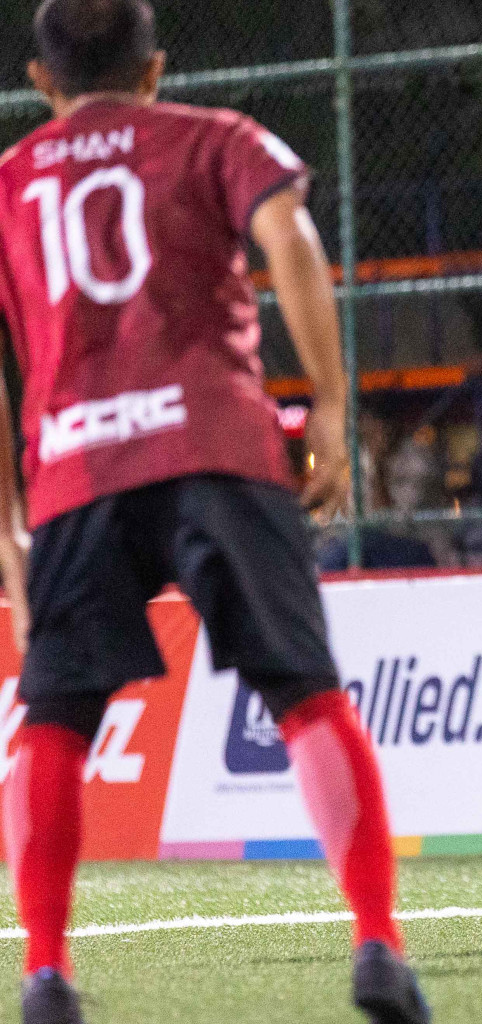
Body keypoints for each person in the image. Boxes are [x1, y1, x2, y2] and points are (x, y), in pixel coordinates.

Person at [0, 2, 430, 1022]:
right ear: (153, 71)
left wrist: (7, 518)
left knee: (52, 717)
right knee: (305, 695)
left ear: (41, 80)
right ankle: (377, 943)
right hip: (216, 449)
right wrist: (327, 400)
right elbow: (288, 231)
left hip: (74, 471)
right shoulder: (216, 138)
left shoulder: (10, 181)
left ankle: (47, 972)